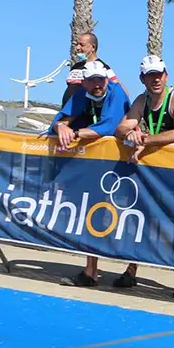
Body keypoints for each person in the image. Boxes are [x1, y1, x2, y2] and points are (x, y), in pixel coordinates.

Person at [114, 55, 174, 295]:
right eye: (150, 75)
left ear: (166, 75)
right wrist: (131, 134)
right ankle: (132, 269)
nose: (156, 79)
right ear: (142, 79)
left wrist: (144, 139)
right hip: (161, 167)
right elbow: (121, 127)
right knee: (143, 212)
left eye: (159, 74)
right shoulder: (142, 100)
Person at [50, 60, 134, 287]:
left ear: (107, 79)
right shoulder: (81, 94)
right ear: (84, 82)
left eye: (101, 79)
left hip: (124, 161)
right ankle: (91, 271)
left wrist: (74, 132)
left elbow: (109, 126)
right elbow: (56, 122)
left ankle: (131, 269)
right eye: (92, 80)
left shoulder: (115, 93)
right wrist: (61, 128)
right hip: (97, 165)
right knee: (92, 212)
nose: (98, 84)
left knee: (130, 215)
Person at [62, 32, 119, 106]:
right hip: (68, 112)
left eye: (82, 45)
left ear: (93, 47)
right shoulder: (76, 66)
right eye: (77, 44)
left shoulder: (102, 67)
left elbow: (118, 87)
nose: (77, 48)